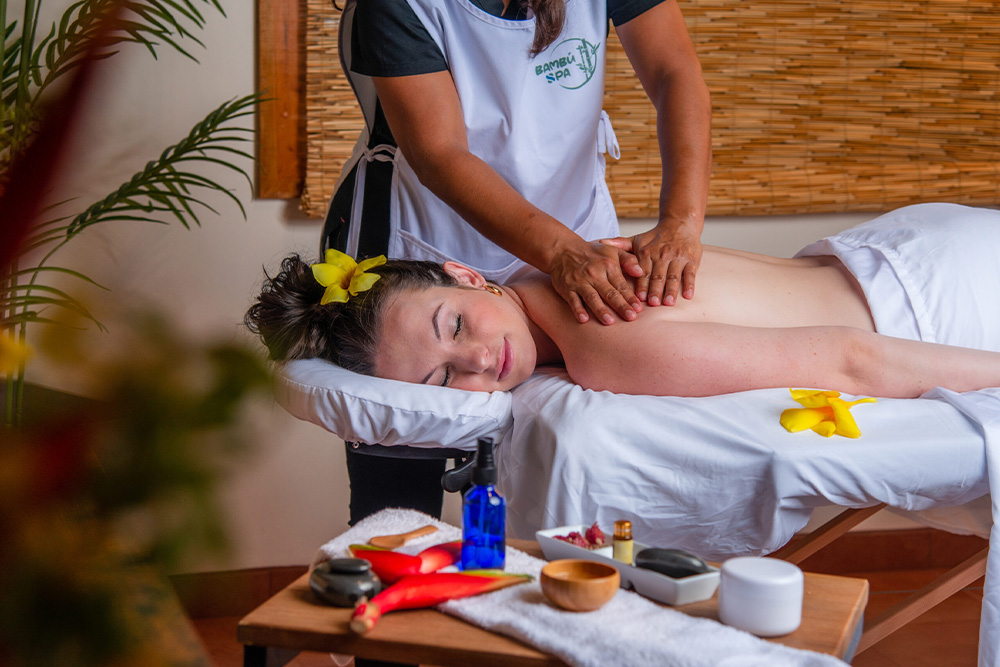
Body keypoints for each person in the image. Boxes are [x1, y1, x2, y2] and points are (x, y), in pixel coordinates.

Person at [324, 0, 711, 526]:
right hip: (432, 252)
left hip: (575, 232)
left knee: (548, 466)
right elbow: (440, 152)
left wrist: (681, 222)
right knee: (400, 497)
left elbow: (674, 71)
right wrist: (561, 253)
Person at [250, 204, 1000, 401]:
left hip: (940, 301)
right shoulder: (558, 269)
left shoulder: (605, 344)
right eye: (443, 378)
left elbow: (851, 358)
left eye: (455, 326)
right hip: (903, 245)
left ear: (466, 275)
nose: (478, 360)